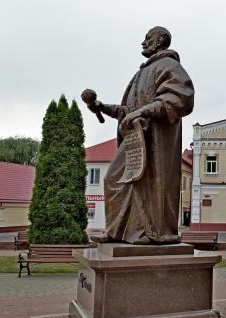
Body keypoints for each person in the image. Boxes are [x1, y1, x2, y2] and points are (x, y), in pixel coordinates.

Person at [82, 26, 194, 244]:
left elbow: (180, 98)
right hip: (135, 140)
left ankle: (148, 232)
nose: (143, 43)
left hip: (155, 141)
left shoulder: (170, 66)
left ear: (160, 40)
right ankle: (118, 230)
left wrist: (145, 111)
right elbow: (127, 112)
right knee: (114, 179)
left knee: (149, 184)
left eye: (147, 39)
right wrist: (101, 106)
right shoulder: (142, 72)